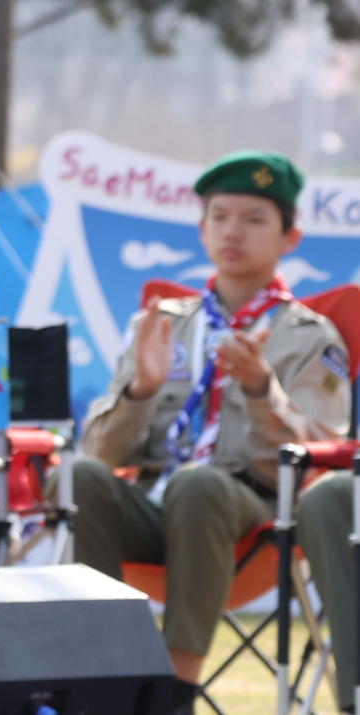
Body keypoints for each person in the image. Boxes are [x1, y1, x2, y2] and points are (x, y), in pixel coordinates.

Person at [69, 149, 344, 710]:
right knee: (77, 478)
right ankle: (100, 675)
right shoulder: (160, 325)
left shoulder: (311, 337)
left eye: (253, 218)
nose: (232, 232)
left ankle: (174, 694)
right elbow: (100, 452)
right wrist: (140, 392)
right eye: (219, 217)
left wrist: (263, 391)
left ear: (290, 237)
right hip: (152, 507)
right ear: (200, 230)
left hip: (253, 521)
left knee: (199, 484)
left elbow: (318, 456)